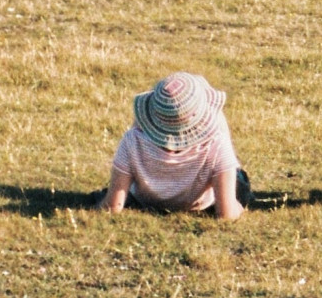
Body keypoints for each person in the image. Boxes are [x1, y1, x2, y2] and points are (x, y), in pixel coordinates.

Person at [97, 71, 250, 219]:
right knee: (239, 179)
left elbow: (112, 206)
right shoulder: (216, 144)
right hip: (199, 205)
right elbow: (227, 214)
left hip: (144, 201)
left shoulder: (131, 141)